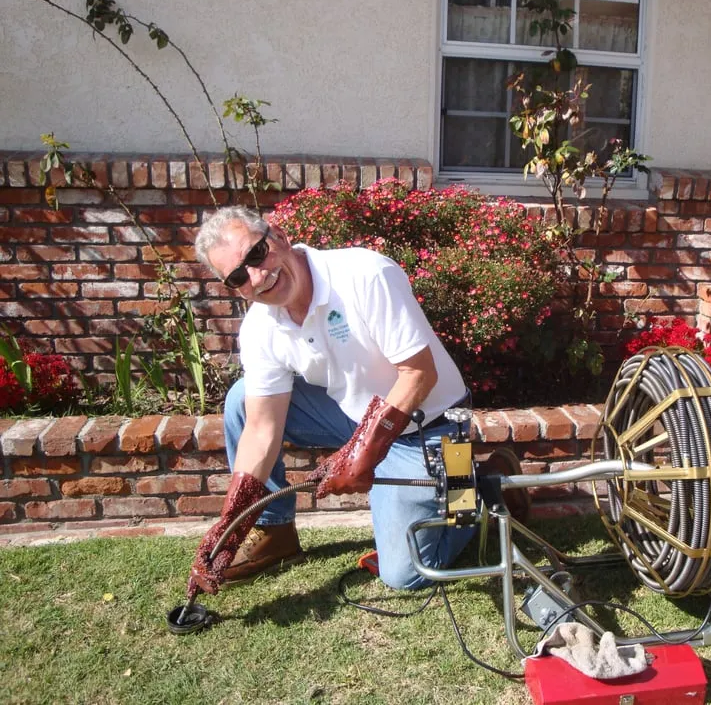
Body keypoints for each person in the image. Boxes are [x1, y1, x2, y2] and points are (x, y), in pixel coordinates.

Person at [186, 206, 523, 597]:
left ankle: (482, 485)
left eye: (256, 254)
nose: (258, 276)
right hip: (358, 414)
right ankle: (275, 533)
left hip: (434, 422)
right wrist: (232, 524)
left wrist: (362, 455)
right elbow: (262, 428)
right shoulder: (261, 327)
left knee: (406, 573)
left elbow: (419, 373)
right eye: (238, 277)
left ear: (277, 235)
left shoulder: (364, 273)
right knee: (244, 400)